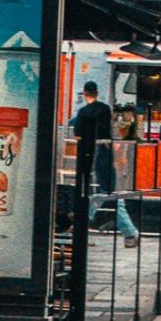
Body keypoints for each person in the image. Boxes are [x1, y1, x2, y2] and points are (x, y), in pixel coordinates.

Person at [68, 81, 138, 246]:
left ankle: (80, 226)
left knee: (96, 194)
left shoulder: (83, 112)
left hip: (88, 156)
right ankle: (128, 233)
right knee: (107, 194)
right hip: (102, 156)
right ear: (97, 92)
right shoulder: (105, 110)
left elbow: (76, 130)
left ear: (85, 94)